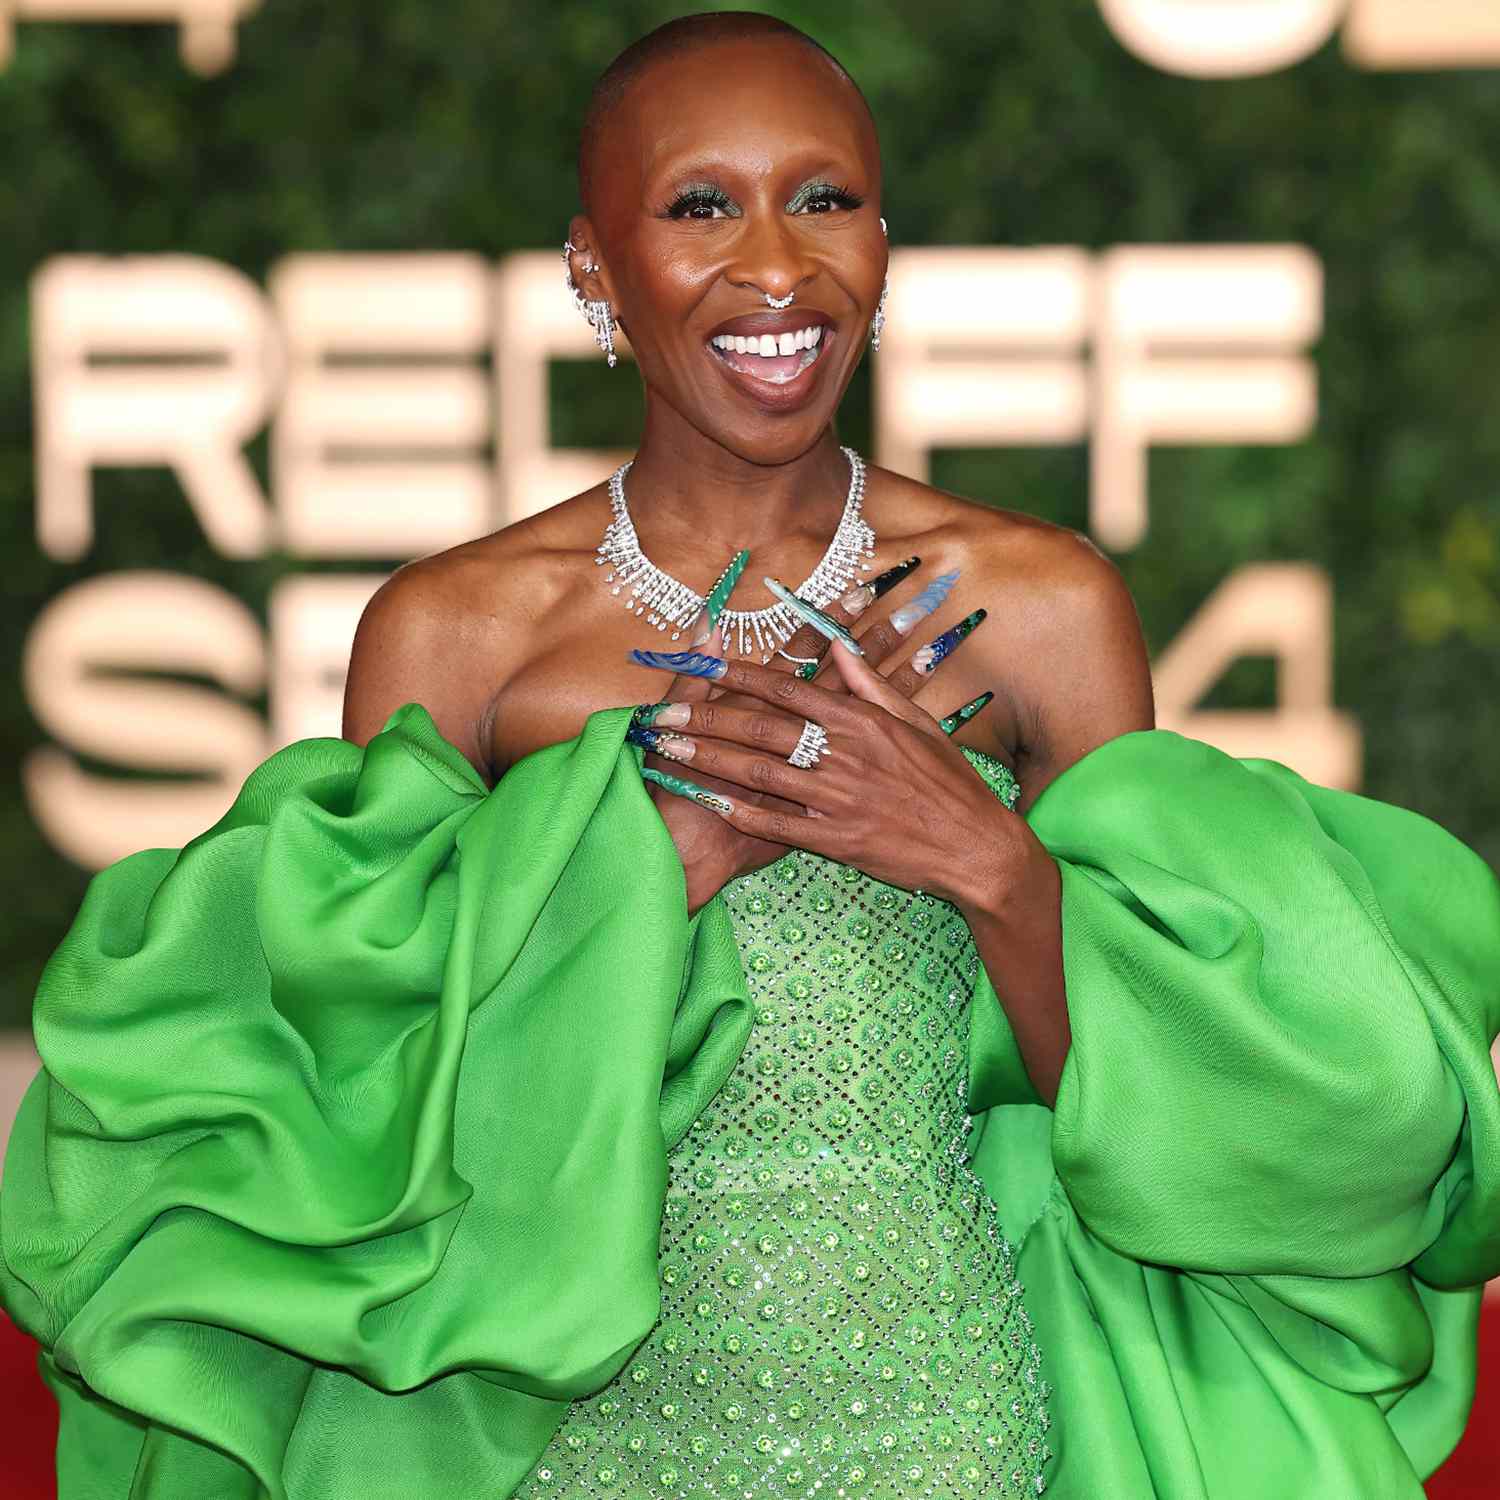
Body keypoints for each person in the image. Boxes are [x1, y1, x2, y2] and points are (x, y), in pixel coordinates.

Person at [3, 12, 1497, 1500]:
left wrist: (983, 860)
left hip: (946, 1420)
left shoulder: (1037, 608)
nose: (777, 266)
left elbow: (1168, 1102)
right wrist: (647, 863)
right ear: (596, 268)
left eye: (826, 199)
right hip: (575, 1432)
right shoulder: (457, 633)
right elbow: (376, 1116)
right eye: (700, 205)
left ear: (887, 247)